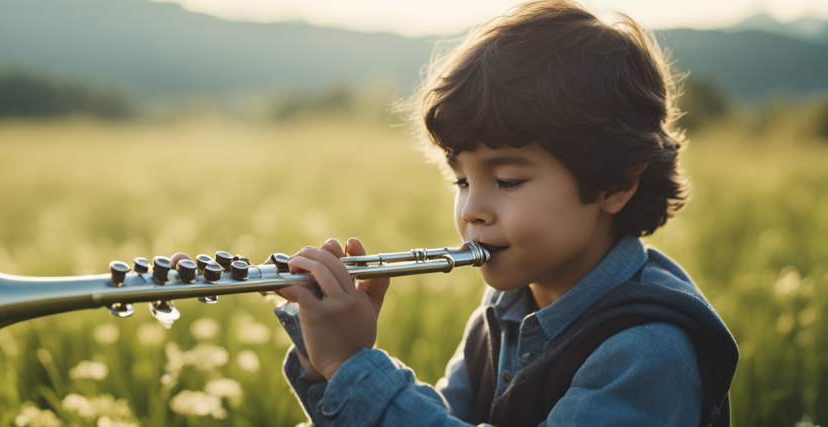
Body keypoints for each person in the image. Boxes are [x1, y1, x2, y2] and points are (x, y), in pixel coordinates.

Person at [268, 1, 739, 426]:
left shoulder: (646, 349)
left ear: (614, 183)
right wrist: (325, 366)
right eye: (462, 180)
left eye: (509, 180)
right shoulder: (505, 307)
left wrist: (354, 366)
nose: (472, 210)